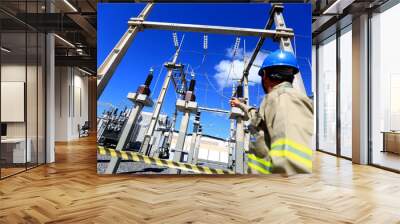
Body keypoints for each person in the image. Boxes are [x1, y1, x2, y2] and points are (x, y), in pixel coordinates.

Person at [230, 49, 313, 175]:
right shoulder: (275, 100)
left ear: (264, 74)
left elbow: (294, 161)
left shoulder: (284, 99)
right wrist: (240, 105)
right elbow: (256, 117)